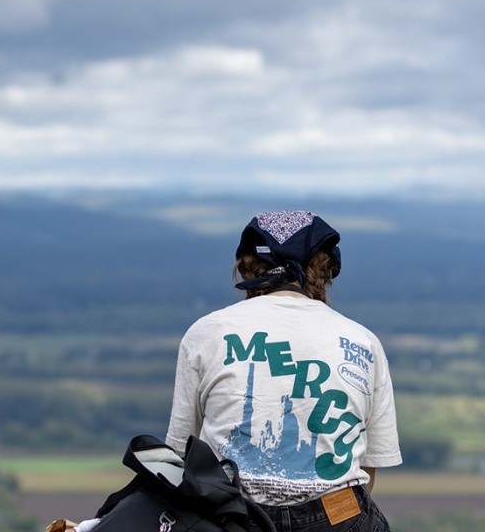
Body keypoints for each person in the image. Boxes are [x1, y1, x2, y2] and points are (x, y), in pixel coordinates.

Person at [165, 211, 401, 532]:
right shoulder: (363, 341)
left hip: (233, 515)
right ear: (324, 268)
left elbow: (182, 453)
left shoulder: (206, 332)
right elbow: (369, 466)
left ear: (248, 266)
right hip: (339, 515)